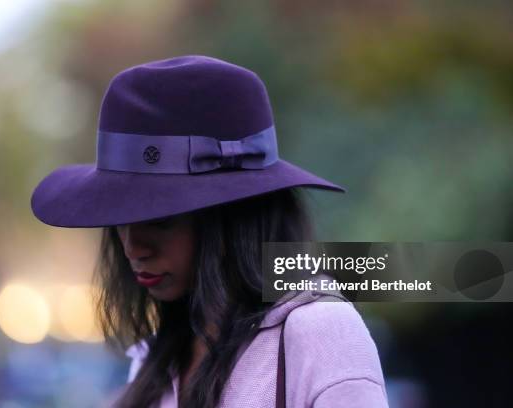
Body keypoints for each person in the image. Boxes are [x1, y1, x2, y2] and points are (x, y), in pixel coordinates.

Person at [31, 55, 388, 407]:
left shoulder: (321, 333)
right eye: (121, 219)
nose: (132, 248)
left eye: (160, 218)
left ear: (230, 217)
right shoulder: (155, 359)